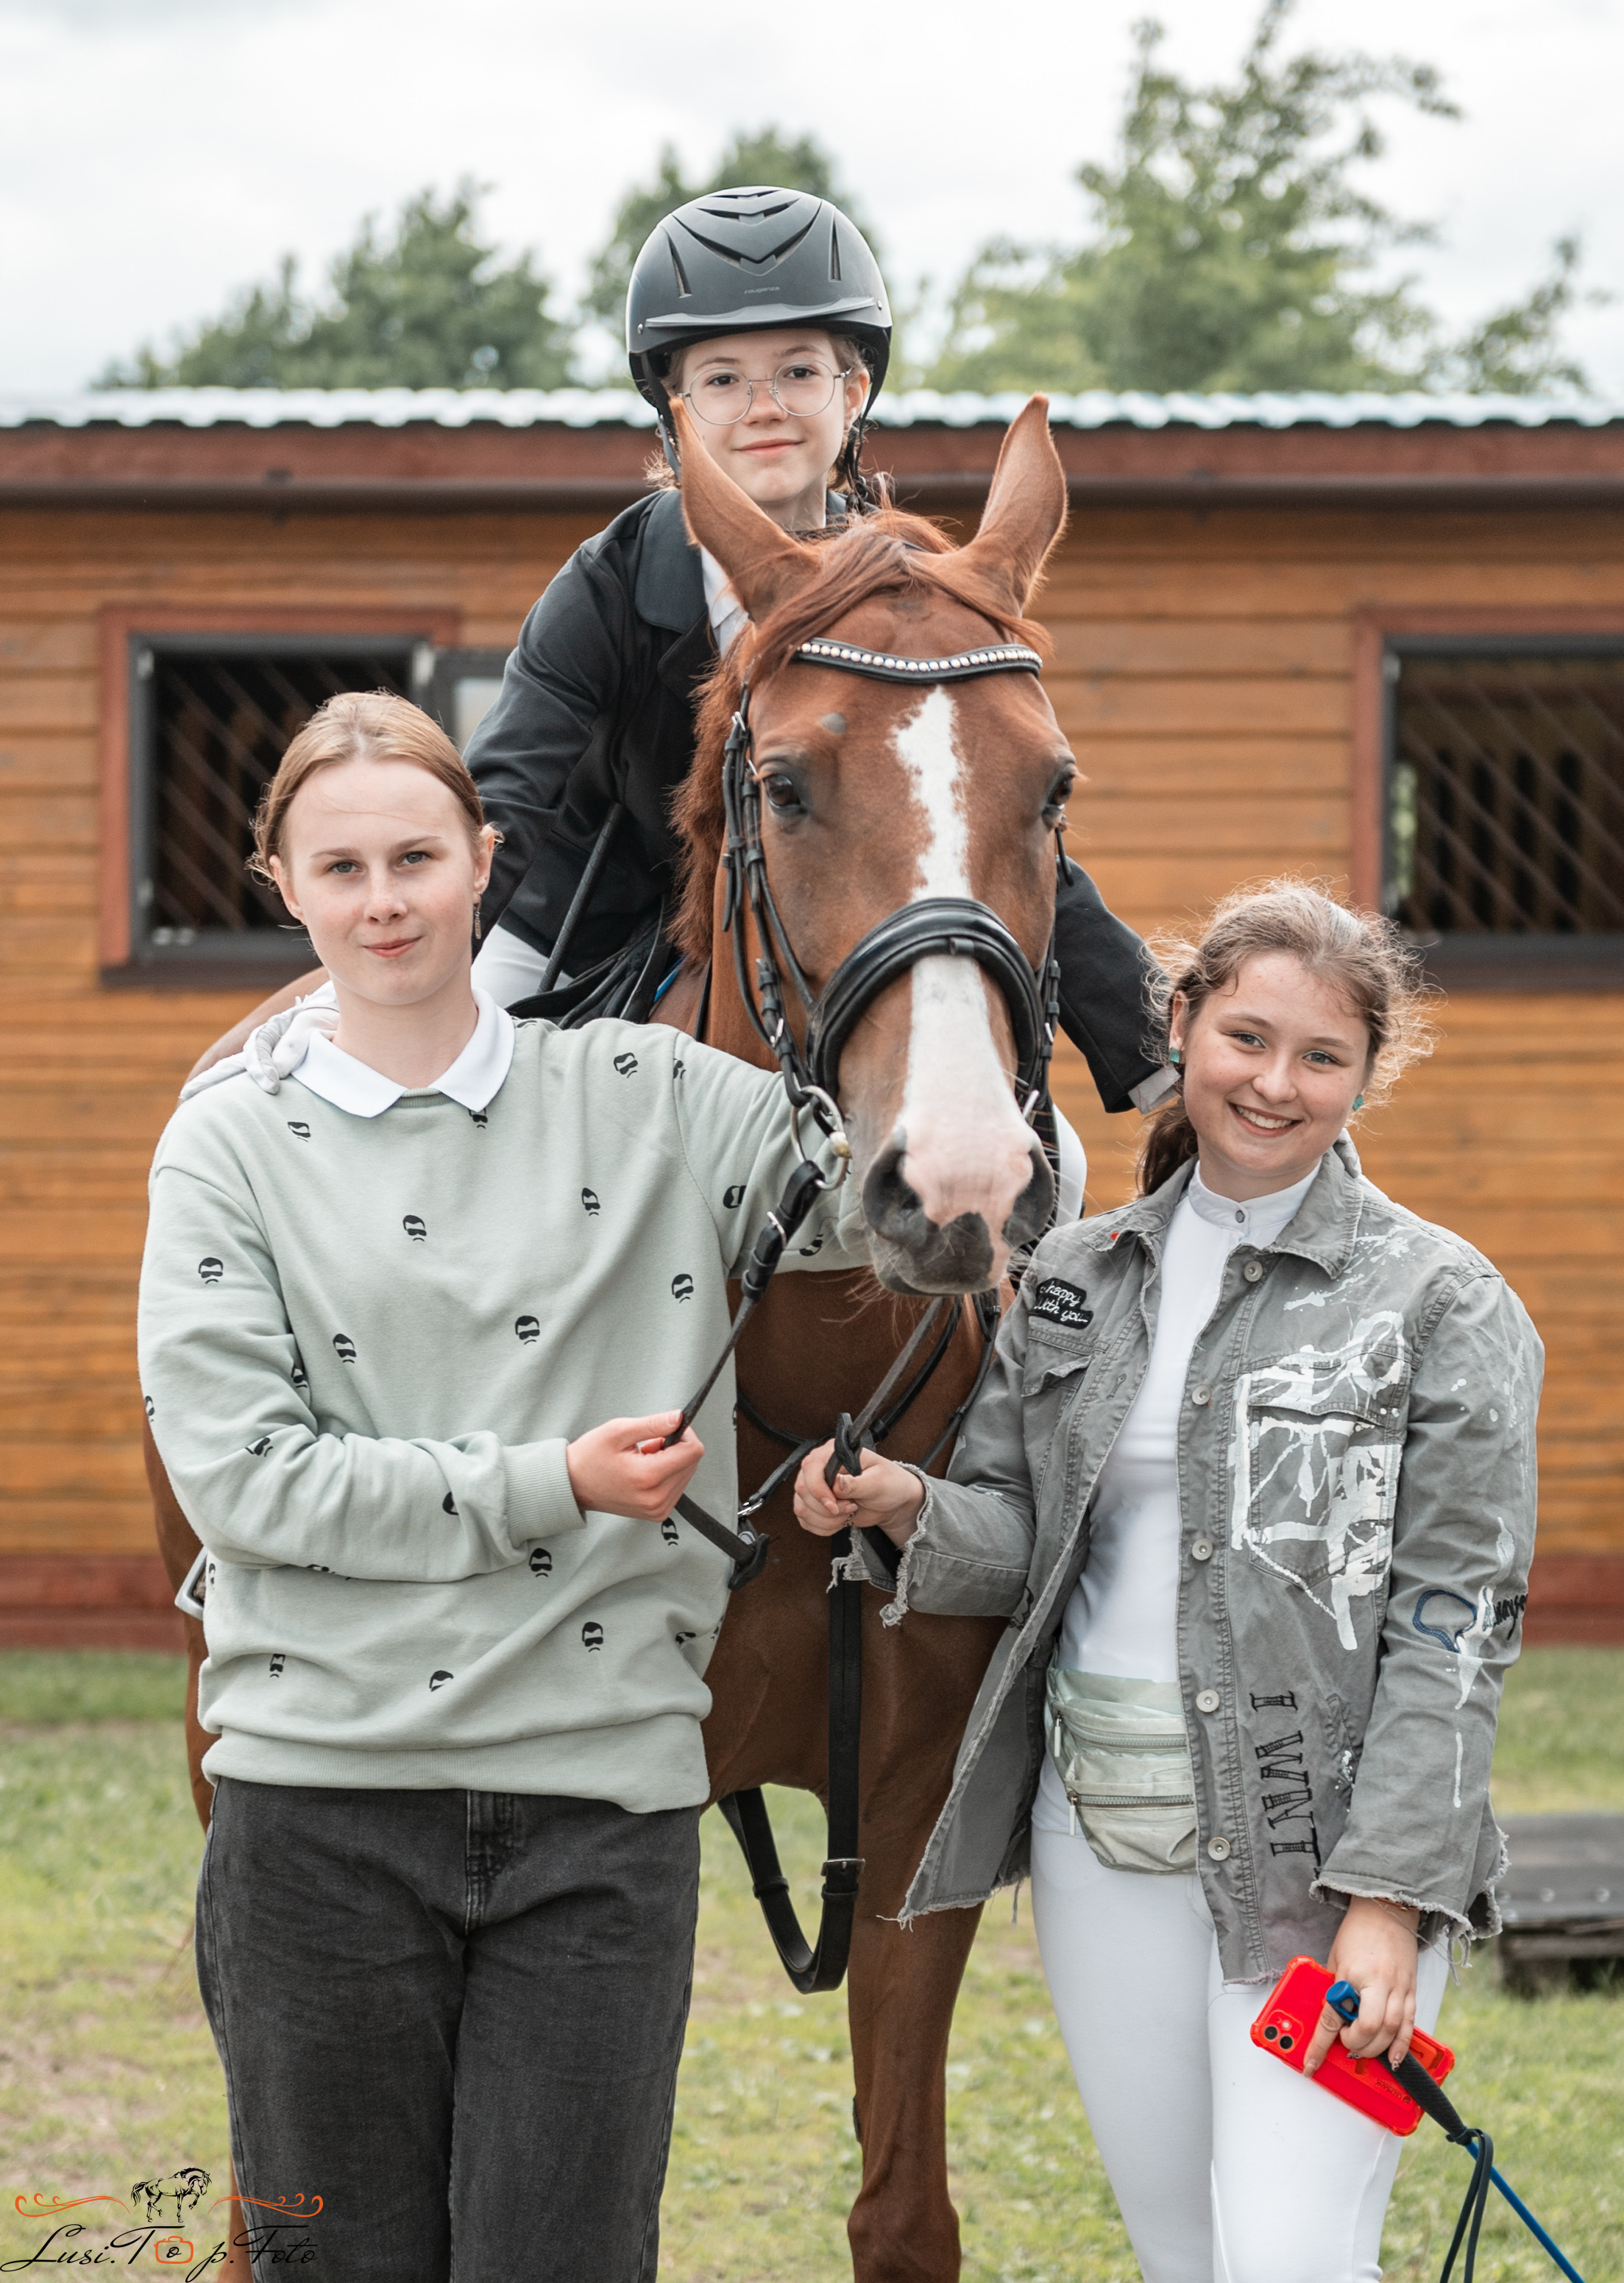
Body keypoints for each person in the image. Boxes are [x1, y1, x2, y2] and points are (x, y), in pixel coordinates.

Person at [139, 690, 867, 2283]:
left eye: (416, 854)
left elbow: (899, 1194)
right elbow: (250, 1485)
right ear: (284, 883)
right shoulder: (224, 1149)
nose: (384, 898)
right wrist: (554, 1481)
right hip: (316, 1814)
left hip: (598, 1817)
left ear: (487, 860)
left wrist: (952, 1023)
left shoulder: (655, 1096)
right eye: (341, 866)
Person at [791, 880, 1541, 2283]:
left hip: (1316, 1861)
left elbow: (1456, 1622)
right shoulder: (1077, 1272)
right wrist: (907, 1505)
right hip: (1099, 1842)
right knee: (1185, 2253)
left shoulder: (1440, 1301)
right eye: (1246, 1037)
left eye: (1323, 1057)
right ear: (1181, 1023)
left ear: (1368, 1076)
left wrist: (1388, 1900)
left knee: (1290, 2260)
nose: (1275, 1083)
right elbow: (1028, 1537)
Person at [188, 188, 1172, 1169]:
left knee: (1065, 1163)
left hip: (821, 926)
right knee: (450, 1135)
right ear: (679, 413)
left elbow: (988, 819)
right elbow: (508, 792)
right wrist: (357, 1000)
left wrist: (1161, 1060)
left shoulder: (908, 610)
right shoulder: (612, 579)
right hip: (586, 918)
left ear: (854, 392)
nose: (765, 407)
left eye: (798, 371)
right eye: (724, 381)